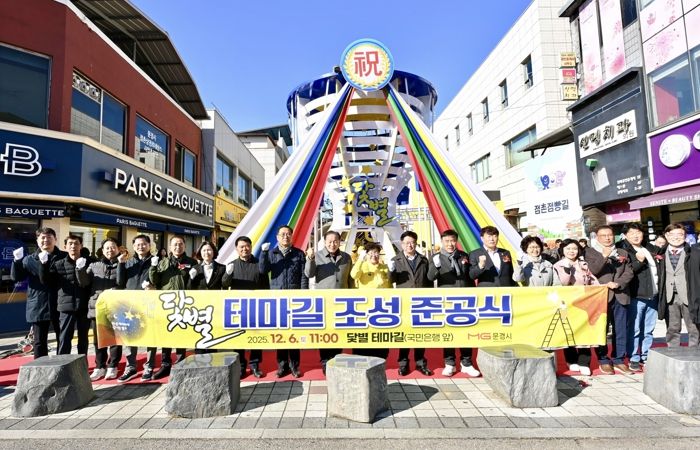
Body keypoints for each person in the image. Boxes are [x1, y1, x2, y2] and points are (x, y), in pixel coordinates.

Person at [428, 229, 479, 377]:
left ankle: (466, 363)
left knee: (466, 331)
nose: (450, 244)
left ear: (456, 241)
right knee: (449, 332)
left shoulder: (464, 256)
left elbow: (470, 276)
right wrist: (436, 266)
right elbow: (430, 277)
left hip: (465, 299)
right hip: (447, 301)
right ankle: (449, 363)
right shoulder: (436, 257)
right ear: (442, 242)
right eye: (447, 241)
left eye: (452, 241)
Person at [260, 225, 308, 378]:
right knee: (280, 334)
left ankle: (295, 366)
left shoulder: (299, 254)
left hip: (294, 298)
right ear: (277, 237)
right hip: (277, 299)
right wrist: (263, 253)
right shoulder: (272, 253)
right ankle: (282, 366)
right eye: (282, 234)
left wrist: (303, 294)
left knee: (294, 333)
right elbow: (263, 270)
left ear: (292, 236)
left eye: (288, 234)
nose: (285, 236)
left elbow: (304, 276)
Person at [148, 235, 198, 379]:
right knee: (167, 334)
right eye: (175, 244)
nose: (178, 247)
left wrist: (193, 276)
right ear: (170, 247)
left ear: (184, 246)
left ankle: (181, 361)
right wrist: (153, 267)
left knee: (181, 333)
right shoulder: (162, 262)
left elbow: (195, 284)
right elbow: (154, 281)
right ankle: (165, 364)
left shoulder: (192, 262)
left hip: (184, 303)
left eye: (180, 244)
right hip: (167, 304)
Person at [11, 227, 65, 359]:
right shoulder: (29, 259)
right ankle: (40, 366)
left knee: (63, 338)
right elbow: (16, 277)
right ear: (37, 240)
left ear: (55, 239)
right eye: (43, 237)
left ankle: (63, 364)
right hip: (38, 304)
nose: (46, 240)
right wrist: (17, 261)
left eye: (49, 237)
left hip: (60, 302)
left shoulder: (64, 257)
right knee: (39, 341)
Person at [77, 237, 125, 381]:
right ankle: (99, 366)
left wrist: (121, 265)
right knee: (99, 340)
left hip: (116, 307)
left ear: (118, 249)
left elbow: (122, 283)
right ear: (102, 250)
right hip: (97, 307)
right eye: (107, 248)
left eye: (113, 247)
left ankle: (113, 366)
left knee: (115, 338)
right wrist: (80, 269)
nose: (110, 250)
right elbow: (84, 283)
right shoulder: (94, 265)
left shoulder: (124, 264)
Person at [305, 230, 352, 374]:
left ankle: (337, 358)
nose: (333, 244)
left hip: (342, 302)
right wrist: (310, 259)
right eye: (330, 241)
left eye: (335, 241)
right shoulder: (317, 256)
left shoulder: (346, 257)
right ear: (325, 242)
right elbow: (309, 274)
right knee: (325, 333)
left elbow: (350, 279)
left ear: (339, 241)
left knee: (339, 332)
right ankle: (325, 361)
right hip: (324, 303)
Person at [589, 225, 634, 375]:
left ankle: (619, 359)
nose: (608, 238)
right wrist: (604, 256)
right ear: (597, 237)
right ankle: (603, 359)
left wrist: (618, 283)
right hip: (601, 296)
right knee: (601, 329)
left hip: (620, 294)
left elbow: (629, 272)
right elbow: (593, 270)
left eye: (610, 235)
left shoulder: (622, 252)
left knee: (620, 329)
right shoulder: (590, 252)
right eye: (604, 235)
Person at [617, 223, 662, 371]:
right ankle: (633, 357)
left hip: (653, 294)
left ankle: (646, 355)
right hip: (636, 295)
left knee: (648, 329)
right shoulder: (623, 250)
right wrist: (639, 261)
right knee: (635, 329)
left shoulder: (650, 248)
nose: (636, 236)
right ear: (625, 235)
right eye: (632, 233)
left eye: (638, 232)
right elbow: (626, 272)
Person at [224, 236, 268, 378]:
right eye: (241, 247)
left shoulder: (259, 263)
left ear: (251, 246)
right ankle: (241, 366)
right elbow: (225, 285)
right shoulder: (232, 264)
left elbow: (265, 285)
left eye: (247, 246)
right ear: (237, 249)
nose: (245, 249)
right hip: (238, 308)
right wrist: (228, 274)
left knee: (256, 337)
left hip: (257, 307)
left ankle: (255, 365)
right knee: (239, 337)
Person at [553, 239, 599, 375]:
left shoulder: (583, 264)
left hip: (584, 303)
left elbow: (592, 280)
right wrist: (567, 270)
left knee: (584, 331)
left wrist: (598, 289)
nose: (571, 251)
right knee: (568, 331)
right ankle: (571, 359)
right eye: (568, 249)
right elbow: (561, 283)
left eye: (574, 248)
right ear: (562, 250)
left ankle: (584, 361)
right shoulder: (558, 265)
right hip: (566, 304)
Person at [390, 231, 433, 376]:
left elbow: (429, 281)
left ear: (416, 243)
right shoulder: (395, 260)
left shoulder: (424, 260)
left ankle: (421, 363)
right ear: (402, 244)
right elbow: (391, 280)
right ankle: (403, 364)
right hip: (405, 303)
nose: (410, 245)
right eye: (407, 243)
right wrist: (390, 271)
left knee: (420, 335)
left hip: (422, 302)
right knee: (405, 334)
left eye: (412, 242)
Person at [116, 234, 154, 382]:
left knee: (150, 336)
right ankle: (131, 366)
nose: (141, 247)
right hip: (130, 305)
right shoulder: (128, 262)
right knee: (130, 336)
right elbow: (120, 283)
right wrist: (120, 264)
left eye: (144, 244)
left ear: (149, 245)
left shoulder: (156, 262)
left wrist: (154, 287)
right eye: (138, 244)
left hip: (149, 304)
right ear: (133, 247)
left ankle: (149, 366)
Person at [658, 223, 700, 347]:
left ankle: (695, 353)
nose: (676, 237)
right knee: (672, 328)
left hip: (690, 295)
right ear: (666, 235)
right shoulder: (660, 253)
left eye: (680, 234)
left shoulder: (694, 253)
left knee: (694, 328)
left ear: (685, 236)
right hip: (669, 296)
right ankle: (673, 352)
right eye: (672, 234)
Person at [51, 235, 90, 355]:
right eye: (70, 244)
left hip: (84, 305)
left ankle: (82, 362)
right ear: (65, 247)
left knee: (83, 338)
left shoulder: (89, 262)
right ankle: (63, 363)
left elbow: (88, 283)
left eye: (76, 243)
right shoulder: (58, 264)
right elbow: (49, 282)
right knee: (65, 337)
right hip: (66, 307)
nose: (73, 246)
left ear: (81, 246)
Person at [350, 242, 391, 358]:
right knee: (363, 336)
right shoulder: (362, 266)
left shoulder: (384, 267)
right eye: (371, 253)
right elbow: (354, 275)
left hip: (381, 308)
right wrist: (360, 259)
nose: (374, 255)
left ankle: (381, 358)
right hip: (364, 308)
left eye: (376, 253)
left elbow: (389, 286)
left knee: (380, 337)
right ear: (366, 255)